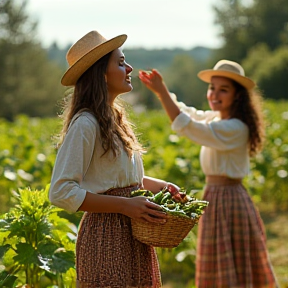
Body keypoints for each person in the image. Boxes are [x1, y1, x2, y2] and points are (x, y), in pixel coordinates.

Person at [48, 30, 180, 288]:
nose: (129, 67)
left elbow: (122, 180)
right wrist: (124, 206)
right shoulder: (85, 124)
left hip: (132, 233)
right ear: (101, 74)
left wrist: (162, 186)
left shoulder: (115, 120)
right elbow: (60, 191)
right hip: (105, 236)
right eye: (120, 63)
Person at [138, 60, 278, 288]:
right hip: (214, 194)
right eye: (212, 87)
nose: (215, 93)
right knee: (220, 256)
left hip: (230, 197)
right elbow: (187, 113)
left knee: (234, 258)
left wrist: (162, 92)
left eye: (224, 89)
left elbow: (189, 126)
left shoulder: (236, 127)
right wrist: (162, 92)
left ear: (238, 96)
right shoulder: (217, 119)